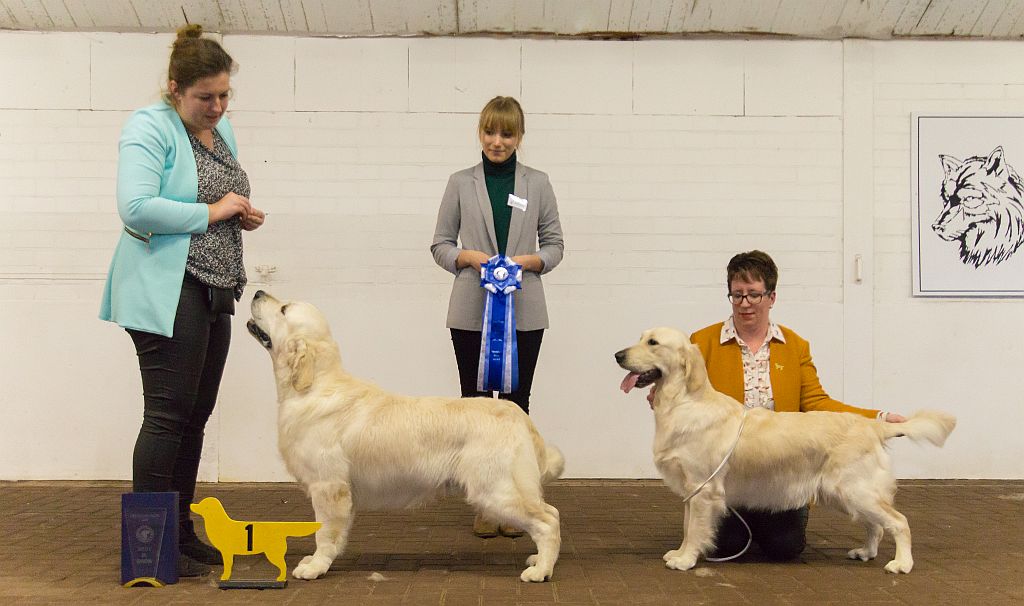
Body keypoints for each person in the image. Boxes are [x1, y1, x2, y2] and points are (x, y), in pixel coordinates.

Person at [99, 24, 264, 577]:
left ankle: (180, 533)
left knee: (196, 416)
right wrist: (212, 213)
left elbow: (212, 193)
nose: (217, 106)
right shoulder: (149, 127)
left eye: (224, 95)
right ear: (175, 89)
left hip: (217, 286)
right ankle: (146, 550)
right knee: (167, 416)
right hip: (168, 287)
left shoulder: (223, 133)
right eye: (205, 97)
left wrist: (238, 211)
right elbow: (137, 206)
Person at [650, 250, 906, 561]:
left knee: (785, 548)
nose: (746, 303)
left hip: (779, 467)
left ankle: (766, 524)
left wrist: (877, 418)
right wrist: (660, 392)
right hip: (729, 467)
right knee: (726, 545)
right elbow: (685, 390)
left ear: (772, 297)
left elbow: (816, 401)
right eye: (738, 294)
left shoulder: (794, 345)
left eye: (754, 294)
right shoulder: (702, 342)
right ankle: (735, 524)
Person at [430, 96, 564, 538]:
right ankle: (485, 505)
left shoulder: (539, 183)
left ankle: (519, 502)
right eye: (490, 132)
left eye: (507, 133)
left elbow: (556, 245)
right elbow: (440, 244)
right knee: (473, 408)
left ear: (520, 137)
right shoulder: (459, 182)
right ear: (480, 133)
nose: (497, 141)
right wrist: (466, 256)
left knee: (517, 408)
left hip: (525, 310)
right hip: (470, 309)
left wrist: (529, 262)